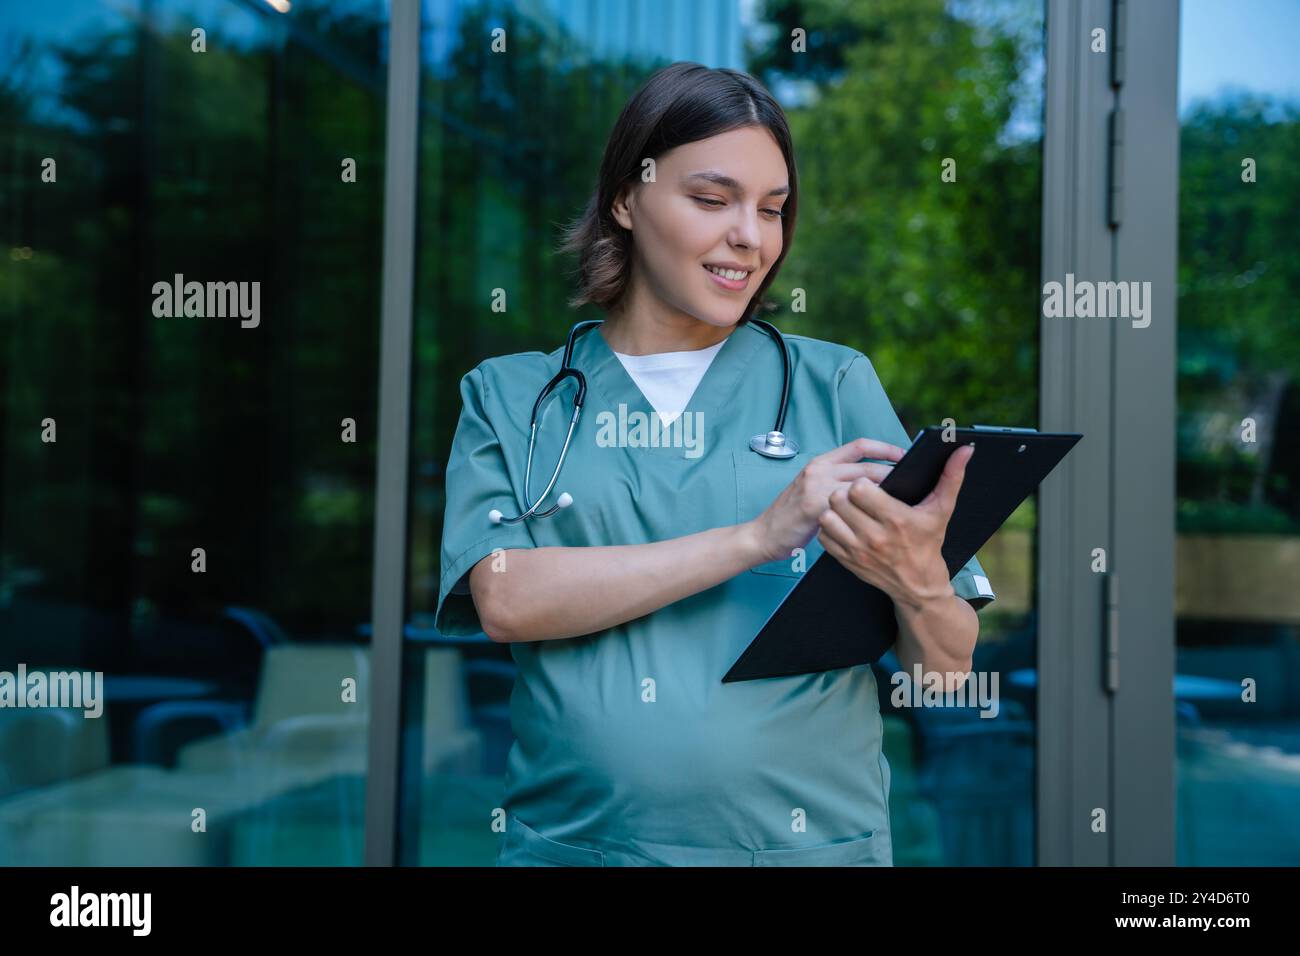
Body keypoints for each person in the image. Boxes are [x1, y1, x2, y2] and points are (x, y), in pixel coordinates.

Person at [434, 62, 996, 867]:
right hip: (580, 850)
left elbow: (943, 676)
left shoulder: (834, 384)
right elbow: (505, 598)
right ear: (626, 200)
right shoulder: (514, 396)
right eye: (711, 199)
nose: (751, 236)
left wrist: (917, 582)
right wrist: (756, 537)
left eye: (772, 210)